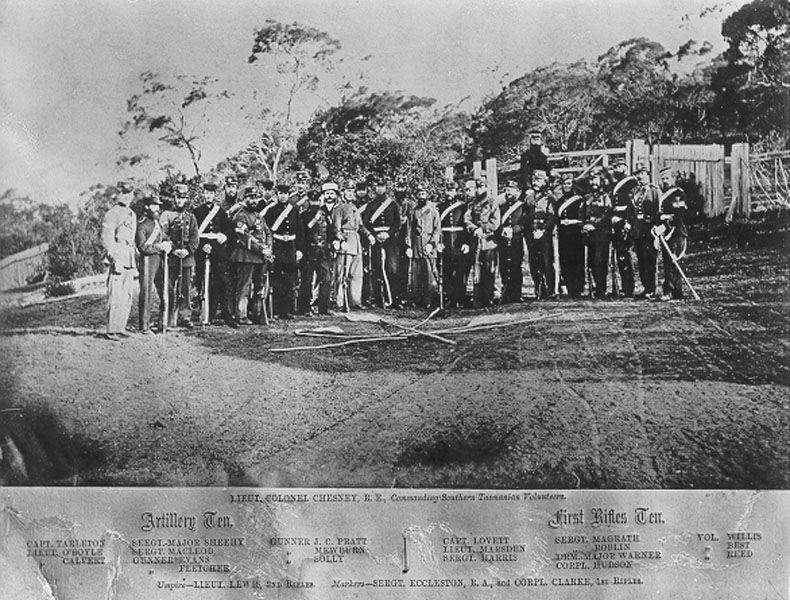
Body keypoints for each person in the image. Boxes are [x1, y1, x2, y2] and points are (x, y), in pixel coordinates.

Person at [229, 186, 273, 325]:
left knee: (259, 287)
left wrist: (268, 248)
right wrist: (261, 249)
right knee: (244, 287)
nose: (253, 200)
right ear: (244, 199)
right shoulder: (240, 216)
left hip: (260, 258)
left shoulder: (259, 216)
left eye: (255, 197)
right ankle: (240, 315)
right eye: (250, 197)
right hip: (245, 256)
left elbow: (267, 232)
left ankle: (257, 314)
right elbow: (244, 237)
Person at [100, 181, 138, 340]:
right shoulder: (112, 213)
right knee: (115, 293)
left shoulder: (132, 214)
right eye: (124, 193)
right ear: (118, 195)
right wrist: (113, 256)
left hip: (129, 255)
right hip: (118, 254)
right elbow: (106, 238)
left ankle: (121, 327)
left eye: (130, 194)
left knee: (127, 293)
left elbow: (132, 237)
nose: (127, 197)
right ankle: (111, 329)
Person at [160, 183, 199, 328]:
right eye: (178, 198)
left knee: (185, 289)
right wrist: (174, 249)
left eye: (183, 198)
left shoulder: (191, 217)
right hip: (172, 258)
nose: (180, 201)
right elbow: (163, 235)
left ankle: (185, 316)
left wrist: (188, 250)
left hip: (187, 258)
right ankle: (169, 316)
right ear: (174, 198)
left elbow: (195, 238)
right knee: (169, 288)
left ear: (186, 199)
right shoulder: (167, 215)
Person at [193, 180, 232, 324]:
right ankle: (204, 314)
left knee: (222, 282)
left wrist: (224, 236)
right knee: (202, 282)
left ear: (214, 194)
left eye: (211, 193)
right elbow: (194, 233)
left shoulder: (220, 211)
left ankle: (226, 315)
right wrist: (202, 245)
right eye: (206, 193)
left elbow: (228, 229)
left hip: (217, 251)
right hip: (202, 251)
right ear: (203, 194)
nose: (208, 196)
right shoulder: (197, 212)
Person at [331, 180, 372, 311]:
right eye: (347, 190)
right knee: (342, 274)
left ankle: (355, 301)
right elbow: (335, 228)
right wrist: (341, 240)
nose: (350, 193)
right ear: (342, 192)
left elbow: (360, 225)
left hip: (356, 242)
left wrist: (368, 234)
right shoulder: (339, 208)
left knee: (356, 274)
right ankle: (340, 302)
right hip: (346, 243)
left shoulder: (354, 207)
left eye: (352, 191)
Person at [265, 182, 303, 319]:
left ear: (288, 195)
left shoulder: (294, 211)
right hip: (278, 246)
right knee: (277, 279)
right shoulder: (272, 210)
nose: (283, 196)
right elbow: (267, 231)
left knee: (289, 279)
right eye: (280, 194)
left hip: (291, 246)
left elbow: (300, 231)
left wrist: (299, 249)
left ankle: (287, 310)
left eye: (285, 194)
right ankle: (276, 310)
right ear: (277, 195)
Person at [135, 193, 172, 334]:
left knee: (166, 290)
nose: (156, 209)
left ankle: (162, 323)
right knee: (146, 292)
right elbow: (143, 246)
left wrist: (168, 243)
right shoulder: (142, 224)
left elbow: (165, 237)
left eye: (158, 206)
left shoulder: (157, 223)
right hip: (147, 261)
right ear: (146, 207)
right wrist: (160, 247)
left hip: (161, 261)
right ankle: (144, 326)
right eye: (153, 205)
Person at [298, 182, 336, 315]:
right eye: (312, 200)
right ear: (308, 201)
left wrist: (332, 244)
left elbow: (330, 232)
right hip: (309, 251)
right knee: (307, 280)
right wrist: (314, 219)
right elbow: (302, 233)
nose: (315, 203)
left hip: (323, 251)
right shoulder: (303, 215)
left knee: (326, 279)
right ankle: (304, 308)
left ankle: (323, 308)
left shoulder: (326, 214)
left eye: (317, 200)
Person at [363, 176, 401, 308]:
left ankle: (394, 300)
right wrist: (375, 235)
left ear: (386, 188)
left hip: (390, 240)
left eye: (382, 186)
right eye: (377, 186)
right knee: (377, 269)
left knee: (393, 269)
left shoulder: (393, 204)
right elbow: (366, 223)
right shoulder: (370, 205)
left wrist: (388, 234)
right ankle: (379, 300)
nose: (380, 188)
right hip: (376, 240)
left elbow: (397, 223)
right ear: (375, 188)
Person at [464, 176, 500, 307]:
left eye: (482, 187)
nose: (479, 190)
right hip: (476, 240)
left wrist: (483, 229)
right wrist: (474, 229)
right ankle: (477, 298)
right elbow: (467, 219)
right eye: (477, 187)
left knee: (489, 270)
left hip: (489, 240)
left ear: (486, 187)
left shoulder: (492, 202)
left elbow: (495, 222)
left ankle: (489, 297)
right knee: (477, 269)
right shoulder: (471, 204)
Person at [405, 183, 441, 307]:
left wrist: (431, 244)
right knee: (416, 275)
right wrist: (409, 246)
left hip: (428, 245)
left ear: (427, 195)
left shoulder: (433, 211)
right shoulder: (413, 211)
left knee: (428, 274)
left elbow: (437, 231)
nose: (421, 196)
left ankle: (428, 300)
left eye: (423, 194)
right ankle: (416, 299)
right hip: (416, 246)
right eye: (419, 194)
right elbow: (409, 229)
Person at [655, 166, 689, 300]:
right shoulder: (663, 194)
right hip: (666, 232)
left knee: (673, 260)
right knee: (668, 262)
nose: (665, 181)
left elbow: (679, 214)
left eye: (667, 178)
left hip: (675, 231)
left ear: (673, 179)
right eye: (662, 179)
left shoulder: (678, 193)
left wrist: (665, 225)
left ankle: (673, 291)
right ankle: (672, 291)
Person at [630, 163, 661, 298]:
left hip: (650, 230)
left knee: (650, 260)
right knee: (641, 260)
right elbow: (631, 211)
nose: (639, 177)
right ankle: (646, 288)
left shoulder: (655, 191)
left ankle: (652, 289)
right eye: (637, 174)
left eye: (642, 174)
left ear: (648, 174)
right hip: (638, 229)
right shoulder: (635, 191)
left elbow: (660, 211)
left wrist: (655, 224)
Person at [437, 180, 470, 307]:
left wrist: (466, 242)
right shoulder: (440, 207)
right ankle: (448, 297)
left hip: (458, 241)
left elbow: (466, 225)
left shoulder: (462, 207)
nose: (449, 193)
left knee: (460, 271)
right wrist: (438, 242)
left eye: (452, 190)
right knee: (446, 270)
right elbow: (437, 227)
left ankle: (460, 298)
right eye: (447, 190)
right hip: (445, 241)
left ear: (456, 192)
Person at [582, 167, 613, 299]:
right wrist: (585, 224)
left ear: (601, 180)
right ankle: (593, 287)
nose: (594, 182)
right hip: (590, 233)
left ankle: (602, 289)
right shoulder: (587, 197)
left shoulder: (606, 197)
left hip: (602, 233)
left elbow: (607, 214)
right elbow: (582, 214)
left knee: (600, 260)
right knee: (591, 262)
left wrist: (594, 225)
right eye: (592, 179)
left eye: (596, 179)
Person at [610, 159, 638, 297]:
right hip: (615, 222)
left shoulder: (631, 183)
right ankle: (623, 287)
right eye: (614, 167)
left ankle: (628, 288)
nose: (616, 169)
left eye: (619, 167)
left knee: (624, 255)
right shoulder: (615, 184)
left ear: (625, 168)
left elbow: (632, 205)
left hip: (625, 223)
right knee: (619, 255)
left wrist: (625, 220)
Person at [495, 180, 527, 303]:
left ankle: (516, 294)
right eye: (506, 190)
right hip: (503, 240)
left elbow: (524, 223)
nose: (508, 192)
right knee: (503, 266)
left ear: (517, 191)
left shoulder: (522, 206)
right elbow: (497, 222)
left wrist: (513, 230)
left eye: (511, 190)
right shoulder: (501, 207)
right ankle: (506, 292)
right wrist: (502, 230)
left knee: (515, 266)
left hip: (516, 240)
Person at [528, 170, 557, 299]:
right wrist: (531, 231)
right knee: (534, 261)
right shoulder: (529, 197)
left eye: (539, 180)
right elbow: (525, 215)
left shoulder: (549, 198)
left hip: (544, 233)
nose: (536, 182)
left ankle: (550, 289)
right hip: (532, 232)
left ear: (545, 182)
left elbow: (551, 217)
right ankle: (538, 289)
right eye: (535, 180)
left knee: (546, 261)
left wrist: (543, 230)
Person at [556, 172, 585, 298]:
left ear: (573, 184)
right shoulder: (560, 201)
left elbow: (583, 217)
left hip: (575, 232)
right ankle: (568, 285)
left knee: (577, 259)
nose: (566, 186)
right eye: (564, 184)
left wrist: (574, 222)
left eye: (568, 183)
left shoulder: (579, 199)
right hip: (563, 233)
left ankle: (577, 288)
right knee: (565, 259)